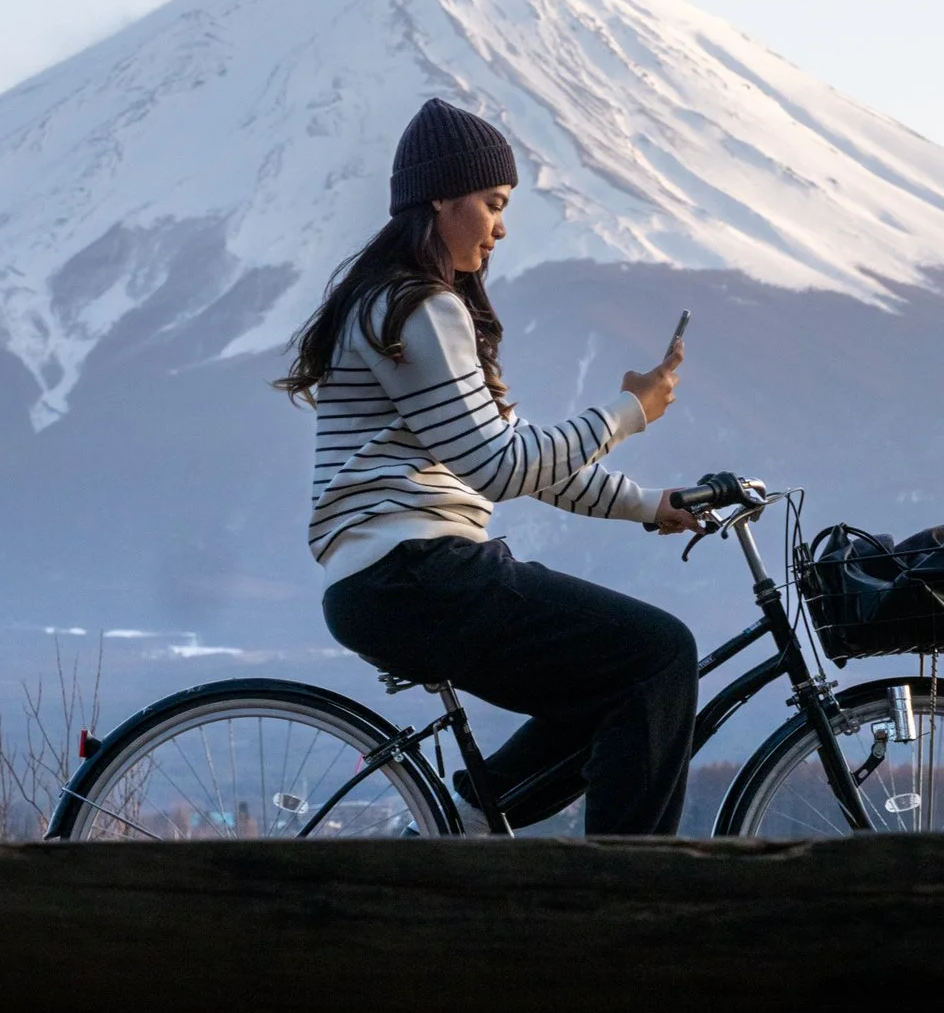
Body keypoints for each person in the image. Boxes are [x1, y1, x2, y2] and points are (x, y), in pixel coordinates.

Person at [275, 97, 701, 835]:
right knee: (660, 655)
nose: (502, 227)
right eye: (493, 203)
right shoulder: (419, 307)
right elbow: (499, 468)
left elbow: (515, 459)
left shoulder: (387, 303)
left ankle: (470, 819)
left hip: (385, 581)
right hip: (416, 571)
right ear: (439, 197)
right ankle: (629, 900)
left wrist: (648, 503)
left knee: (615, 683)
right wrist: (628, 412)